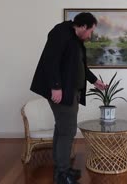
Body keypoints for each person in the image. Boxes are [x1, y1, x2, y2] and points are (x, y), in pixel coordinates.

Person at [30, 12, 107, 184]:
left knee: (62, 129)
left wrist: (95, 81)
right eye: (90, 31)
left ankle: (61, 169)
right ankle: (62, 175)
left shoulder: (76, 40)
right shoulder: (61, 32)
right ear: (83, 26)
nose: (90, 35)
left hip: (71, 92)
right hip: (63, 92)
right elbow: (50, 60)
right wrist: (55, 87)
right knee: (68, 131)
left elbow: (80, 66)